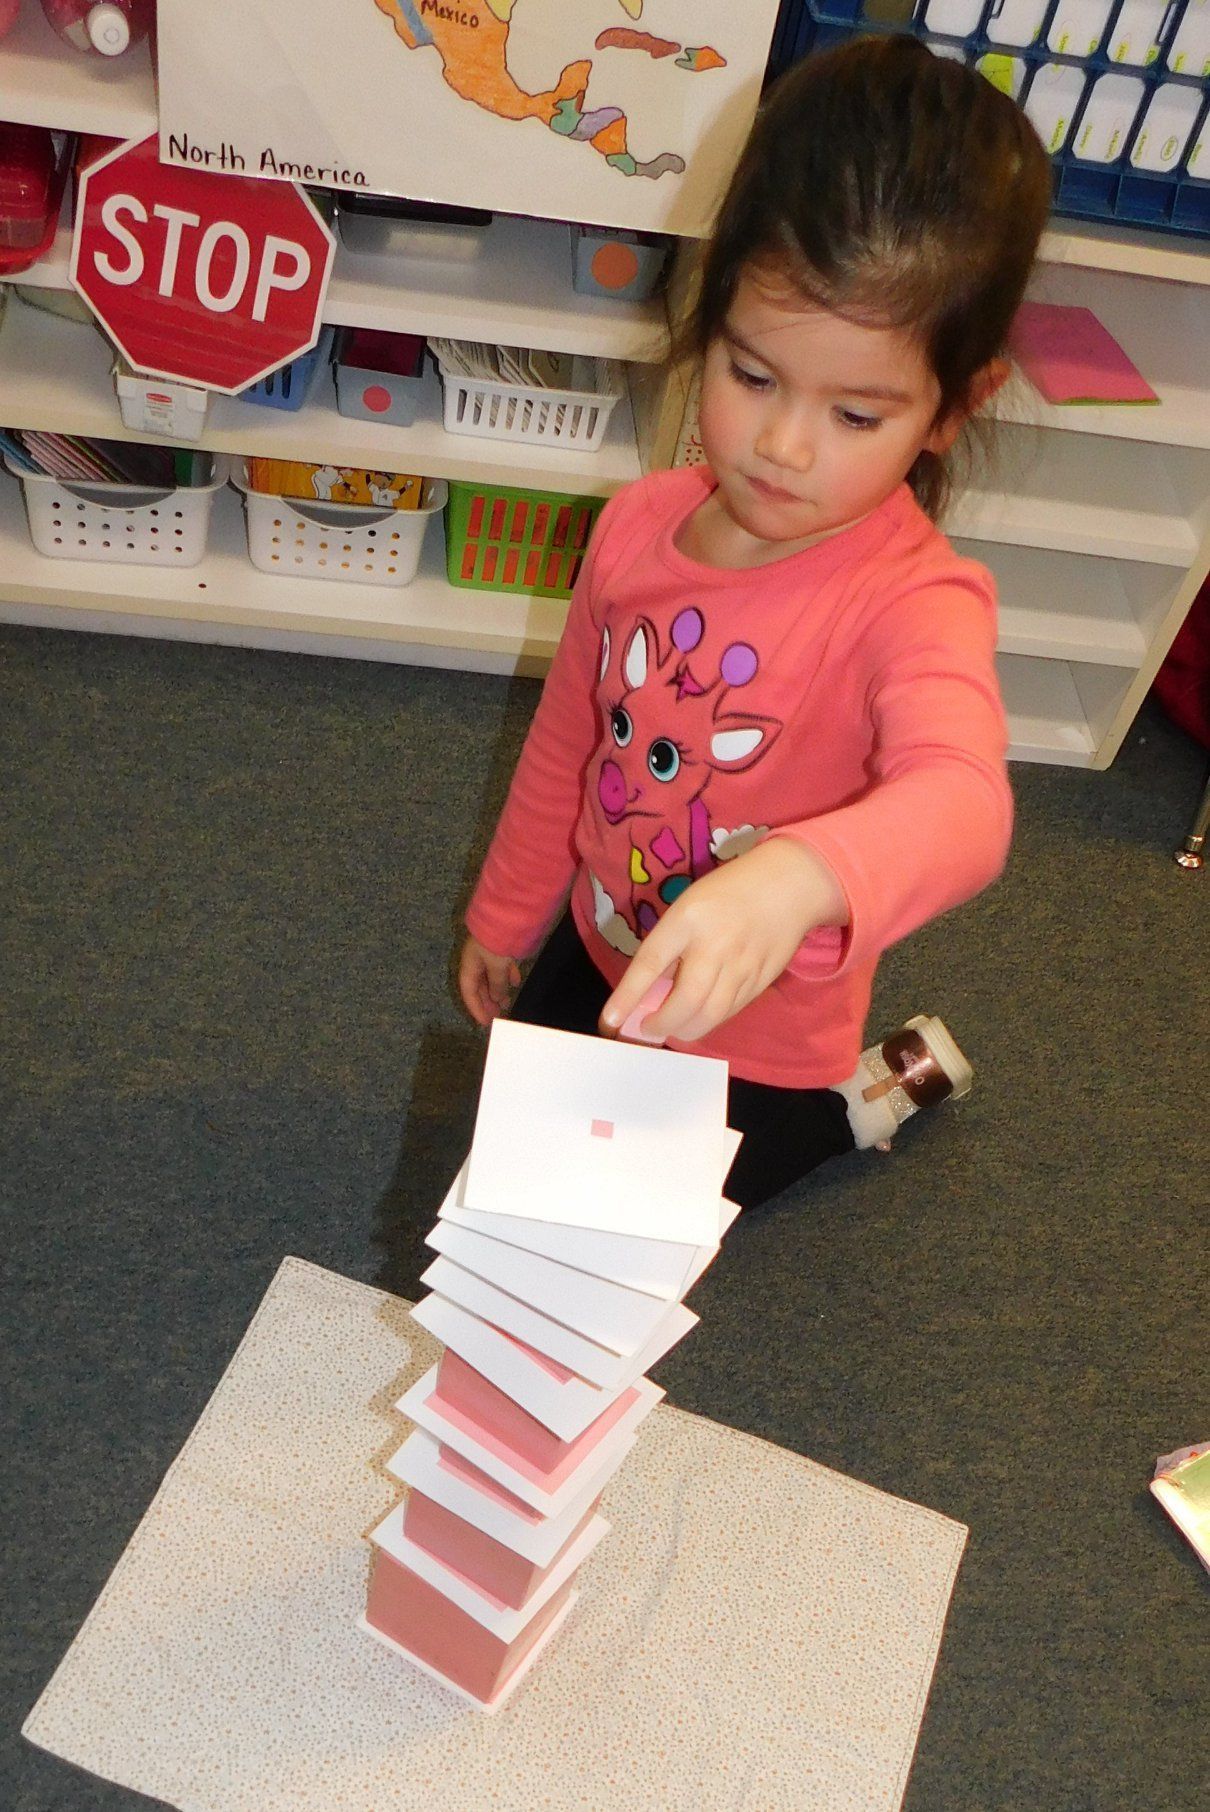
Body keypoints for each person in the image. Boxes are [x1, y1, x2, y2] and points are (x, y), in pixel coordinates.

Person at [457, 36, 1052, 1209]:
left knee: (689, 1203)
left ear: (950, 408)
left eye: (855, 412)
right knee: (523, 1141)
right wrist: (508, 909)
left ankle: (858, 1109)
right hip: (601, 932)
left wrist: (788, 883)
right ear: (709, 312)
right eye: (752, 375)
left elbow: (965, 806)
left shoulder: (911, 604)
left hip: (761, 1028)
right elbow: (570, 739)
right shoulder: (637, 527)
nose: (782, 447)